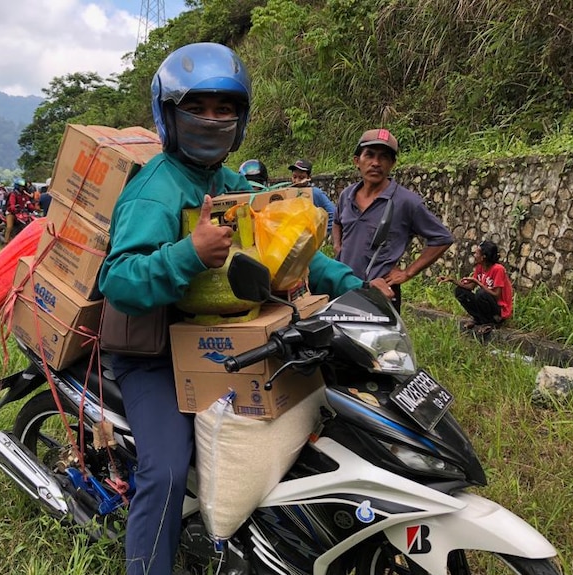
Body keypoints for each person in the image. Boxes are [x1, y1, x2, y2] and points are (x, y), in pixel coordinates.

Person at [98, 43, 392, 575]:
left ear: (241, 118)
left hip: (218, 343)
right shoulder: (153, 191)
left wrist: (358, 288)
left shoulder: (230, 184)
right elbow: (117, 280)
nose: (211, 120)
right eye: (197, 107)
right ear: (168, 114)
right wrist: (188, 254)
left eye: (225, 109)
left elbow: (292, 251)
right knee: (164, 471)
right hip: (152, 355)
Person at [332, 128, 454, 311]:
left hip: (380, 294)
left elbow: (442, 238)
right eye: (370, 155)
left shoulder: (406, 202)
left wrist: (408, 273)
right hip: (344, 287)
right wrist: (338, 246)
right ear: (357, 161)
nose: (376, 163)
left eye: (384, 157)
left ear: (392, 164)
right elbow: (337, 222)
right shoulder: (347, 195)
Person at [439, 240, 513, 333]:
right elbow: (470, 287)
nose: (474, 255)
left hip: (498, 309)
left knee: (481, 294)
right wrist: (452, 280)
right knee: (460, 292)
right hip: (486, 303)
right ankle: (478, 318)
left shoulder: (498, 269)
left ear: (483, 257)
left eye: (477, 253)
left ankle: (491, 322)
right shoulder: (480, 267)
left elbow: (496, 295)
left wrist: (479, 283)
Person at [288, 159, 336, 235]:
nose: (297, 180)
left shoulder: (315, 193)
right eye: (294, 177)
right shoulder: (288, 193)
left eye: (301, 177)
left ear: (309, 177)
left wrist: (324, 233)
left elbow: (333, 213)